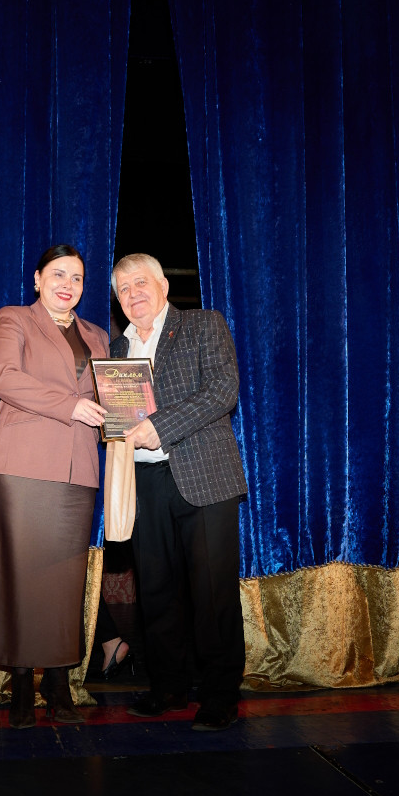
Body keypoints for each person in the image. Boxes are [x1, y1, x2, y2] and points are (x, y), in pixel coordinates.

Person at [110, 253, 248, 731]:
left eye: (141, 282)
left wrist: (159, 427)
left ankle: (219, 695)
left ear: (164, 285)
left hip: (205, 477)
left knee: (212, 593)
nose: (133, 293)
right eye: (123, 288)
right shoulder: (117, 350)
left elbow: (223, 391)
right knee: (155, 591)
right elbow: (120, 421)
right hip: (145, 483)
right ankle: (167, 686)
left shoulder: (204, 324)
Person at [0, 244, 110, 728]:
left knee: (65, 580)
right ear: (37, 279)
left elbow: (112, 396)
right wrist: (69, 405)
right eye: (58, 274)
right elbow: (3, 378)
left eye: (76, 278)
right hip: (23, 464)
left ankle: (58, 684)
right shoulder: (14, 318)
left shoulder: (97, 335)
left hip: (79, 468)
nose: (67, 285)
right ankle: (20, 685)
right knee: (20, 575)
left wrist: (130, 414)